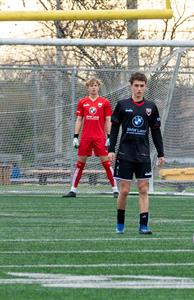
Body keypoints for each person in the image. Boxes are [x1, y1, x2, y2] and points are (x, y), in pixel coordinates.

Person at [108, 72, 165, 234]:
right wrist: (111, 150)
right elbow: (114, 129)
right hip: (125, 154)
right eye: (136, 85)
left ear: (145, 87)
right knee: (124, 190)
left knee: (143, 189)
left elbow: (155, 132)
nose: (139, 89)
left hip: (143, 155)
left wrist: (161, 153)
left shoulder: (151, 107)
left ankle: (144, 225)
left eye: (142, 86)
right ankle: (120, 224)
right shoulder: (122, 105)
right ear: (131, 86)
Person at [63, 78, 119, 198]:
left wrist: (109, 137)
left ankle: (115, 190)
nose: (94, 87)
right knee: (80, 164)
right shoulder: (82, 102)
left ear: (99, 87)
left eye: (95, 85)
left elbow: (108, 120)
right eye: (91, 86)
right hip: (86, 138)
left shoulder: (105, 102)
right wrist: (75, 137)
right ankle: (73, 190)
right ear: (87, 88)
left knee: (107, 164)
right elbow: (79, 120)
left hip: (100, 138)